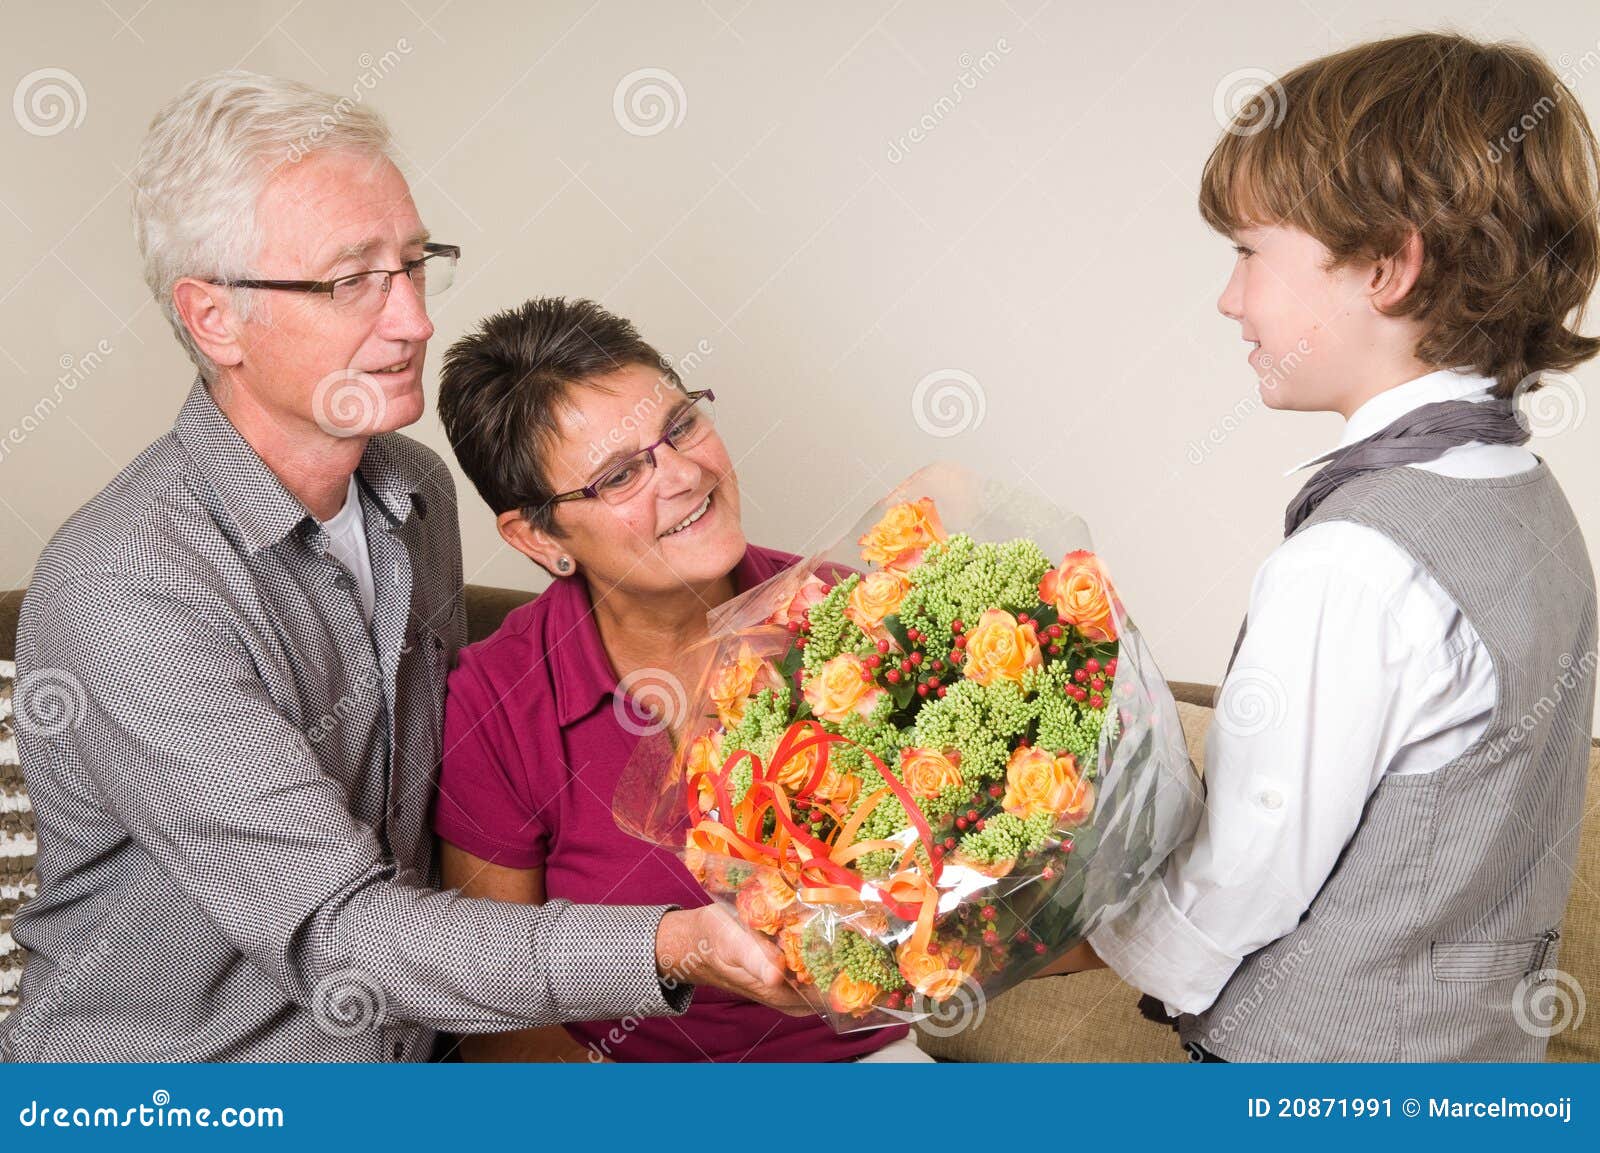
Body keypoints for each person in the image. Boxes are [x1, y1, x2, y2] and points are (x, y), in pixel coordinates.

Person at [0, 71, 803, 1063]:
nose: (415, 318)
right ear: (213, 317)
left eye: (415, 264)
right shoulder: (128, 590)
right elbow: (338, 932)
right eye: (351, 281)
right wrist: (673, 941)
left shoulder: (412, 490)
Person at [1052, 32, 1598, 1062]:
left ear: (1387, 266)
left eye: (1249, 252)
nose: (1228, 298)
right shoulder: (1529, 501)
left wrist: (1039, 937)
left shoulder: (1352, 564)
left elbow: (1239, 884)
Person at [433, 296, 931, 1061]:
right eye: (622, 473)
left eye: (681, 425)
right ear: (538, 535)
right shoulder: (498, 703)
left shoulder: (851, 616)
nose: (684, 473)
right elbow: (504, 1018)